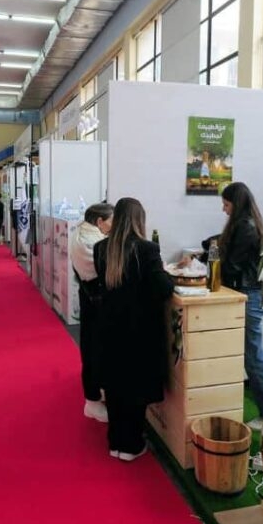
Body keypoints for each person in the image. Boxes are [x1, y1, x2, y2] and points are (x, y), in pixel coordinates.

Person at [93, 197, 173, 461]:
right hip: (139, 330)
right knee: (136, 389)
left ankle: (116, 442)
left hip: (109, 327)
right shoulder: (147, 249)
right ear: (139, 219)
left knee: (115, 385)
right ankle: (132, 444)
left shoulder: (101, 248)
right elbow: (163, 288)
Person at [211, 182, 263, 430]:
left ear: (236, 204)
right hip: (249, 293)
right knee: (251, 354)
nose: (224, 210)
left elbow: (231, 265)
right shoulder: (243, 224)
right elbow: (223, 245)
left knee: (253, 356)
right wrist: (209, 248)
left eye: (226, 205)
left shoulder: (246, 227)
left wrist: (209, 260)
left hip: (250, 295)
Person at [70, 202, 114, 423]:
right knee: (94, 350)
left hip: (89, 298)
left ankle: (96, 394)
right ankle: (93, 400)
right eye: (111, 221)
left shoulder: (80, 233)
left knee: (93, 349)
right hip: (96, 300)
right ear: (99, 221)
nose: (113, 226)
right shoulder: (94, 242)